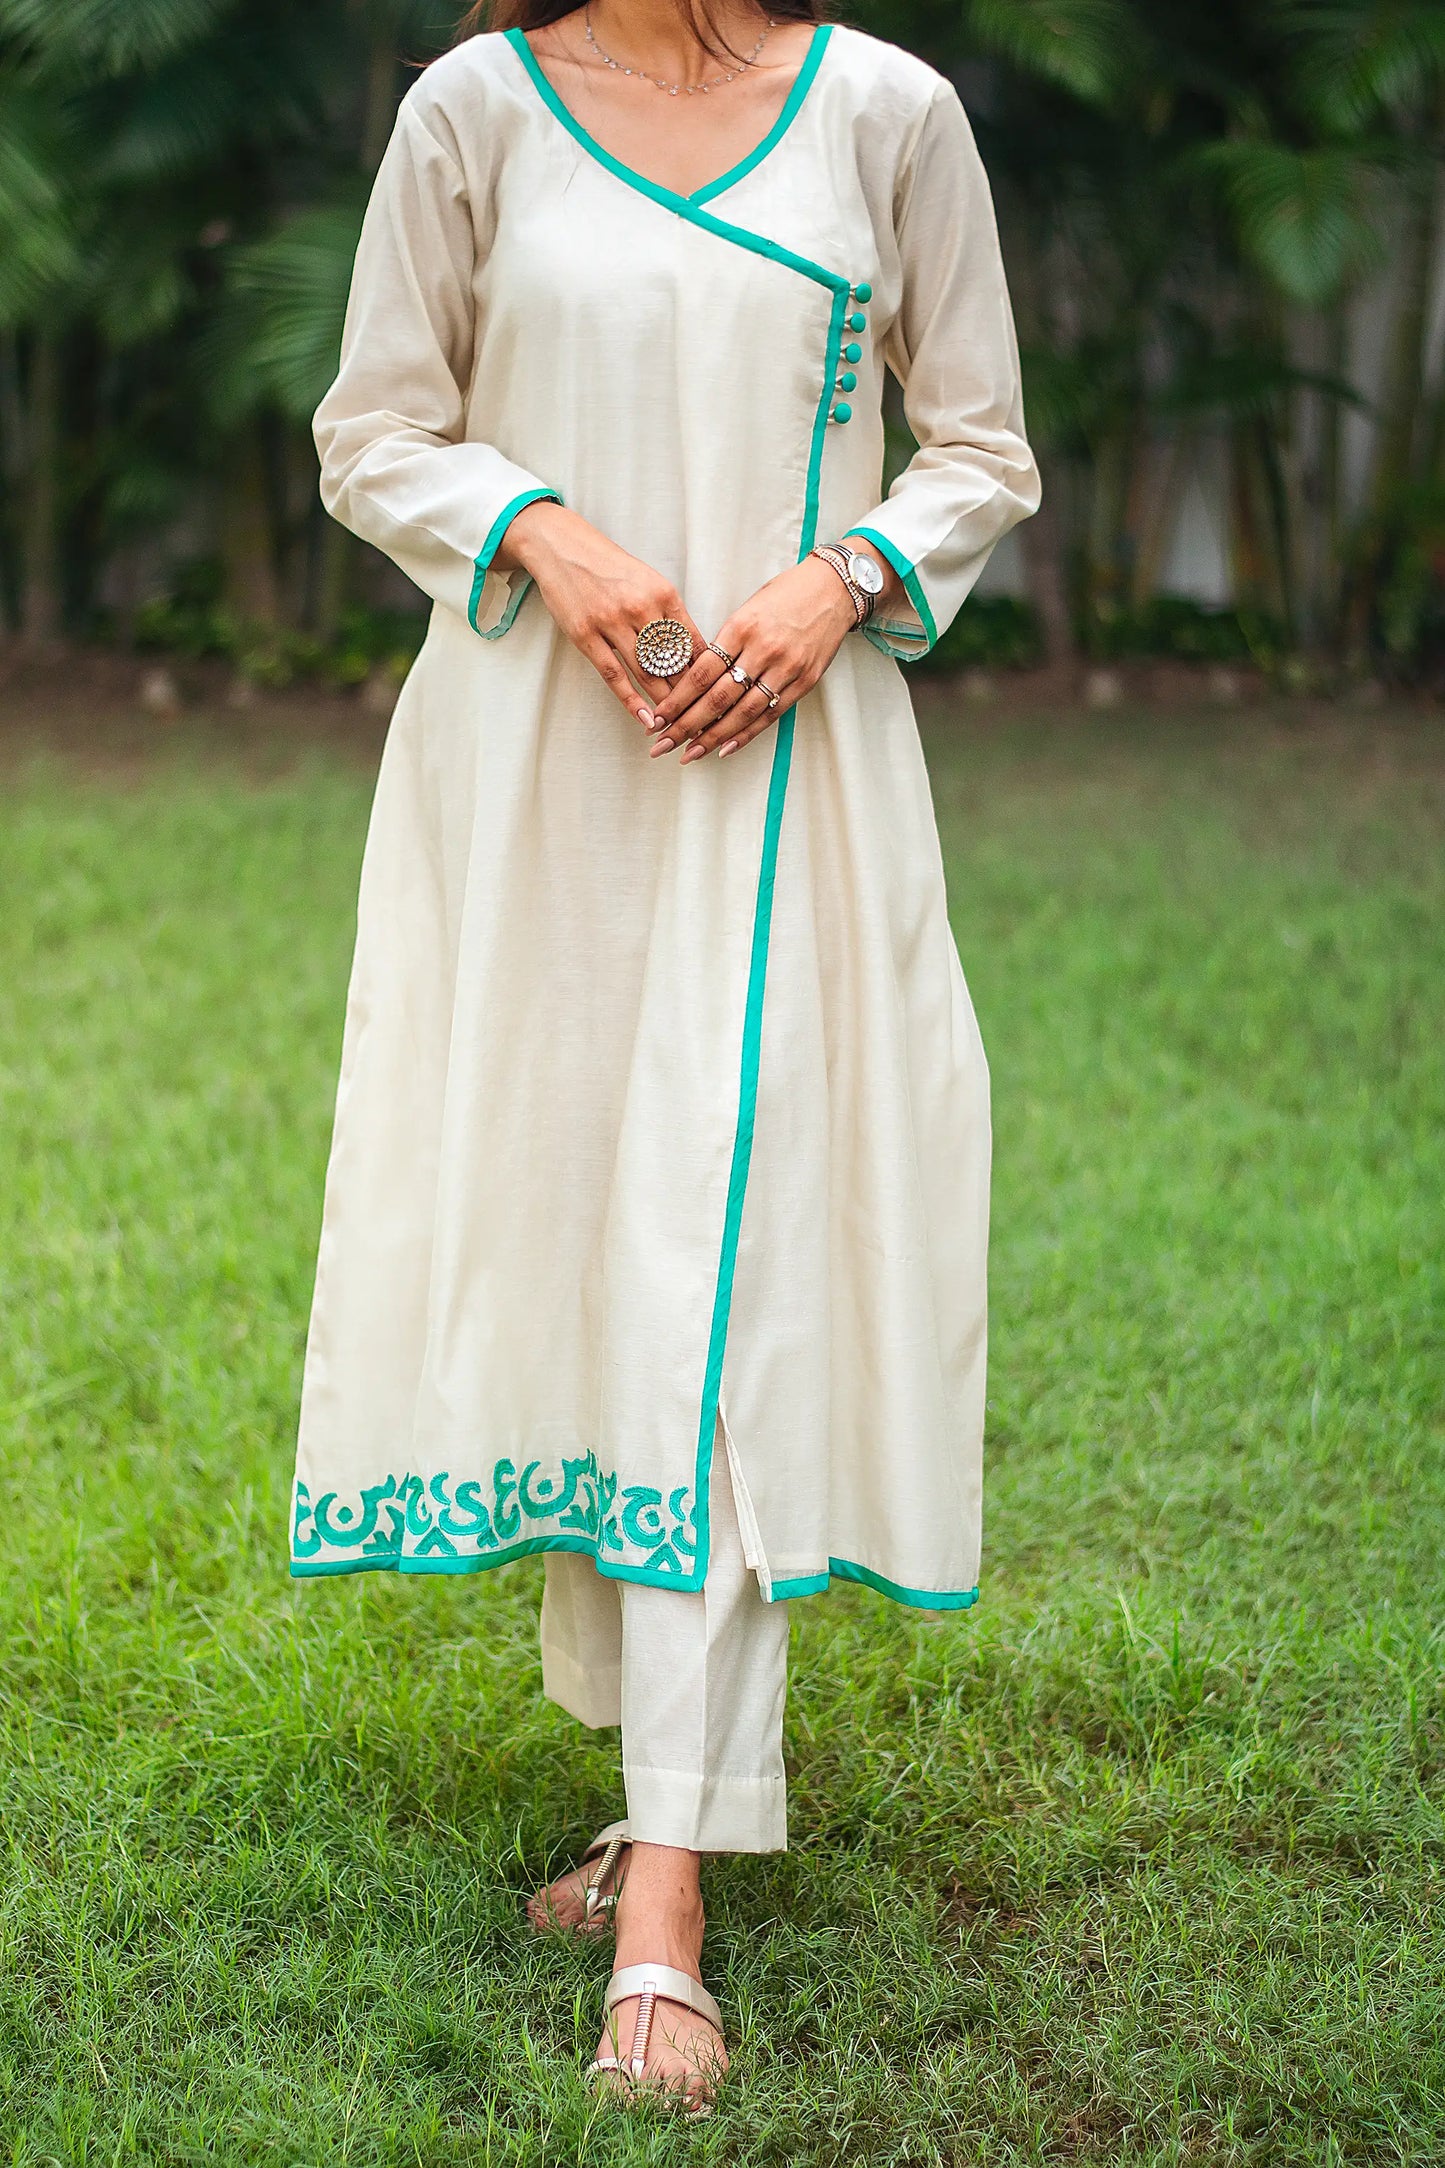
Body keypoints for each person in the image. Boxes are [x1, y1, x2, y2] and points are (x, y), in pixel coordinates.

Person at [290, 0, 1039, 2113]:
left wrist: (843, 574)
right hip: (540, 773)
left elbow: (981, 441)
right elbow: (371, 430)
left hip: (792, 770)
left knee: (737, 1255)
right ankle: (656, 1782)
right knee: (593, 1237)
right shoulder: (473, 113)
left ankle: (670, 1897)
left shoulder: (890, 114)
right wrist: (546, 526)